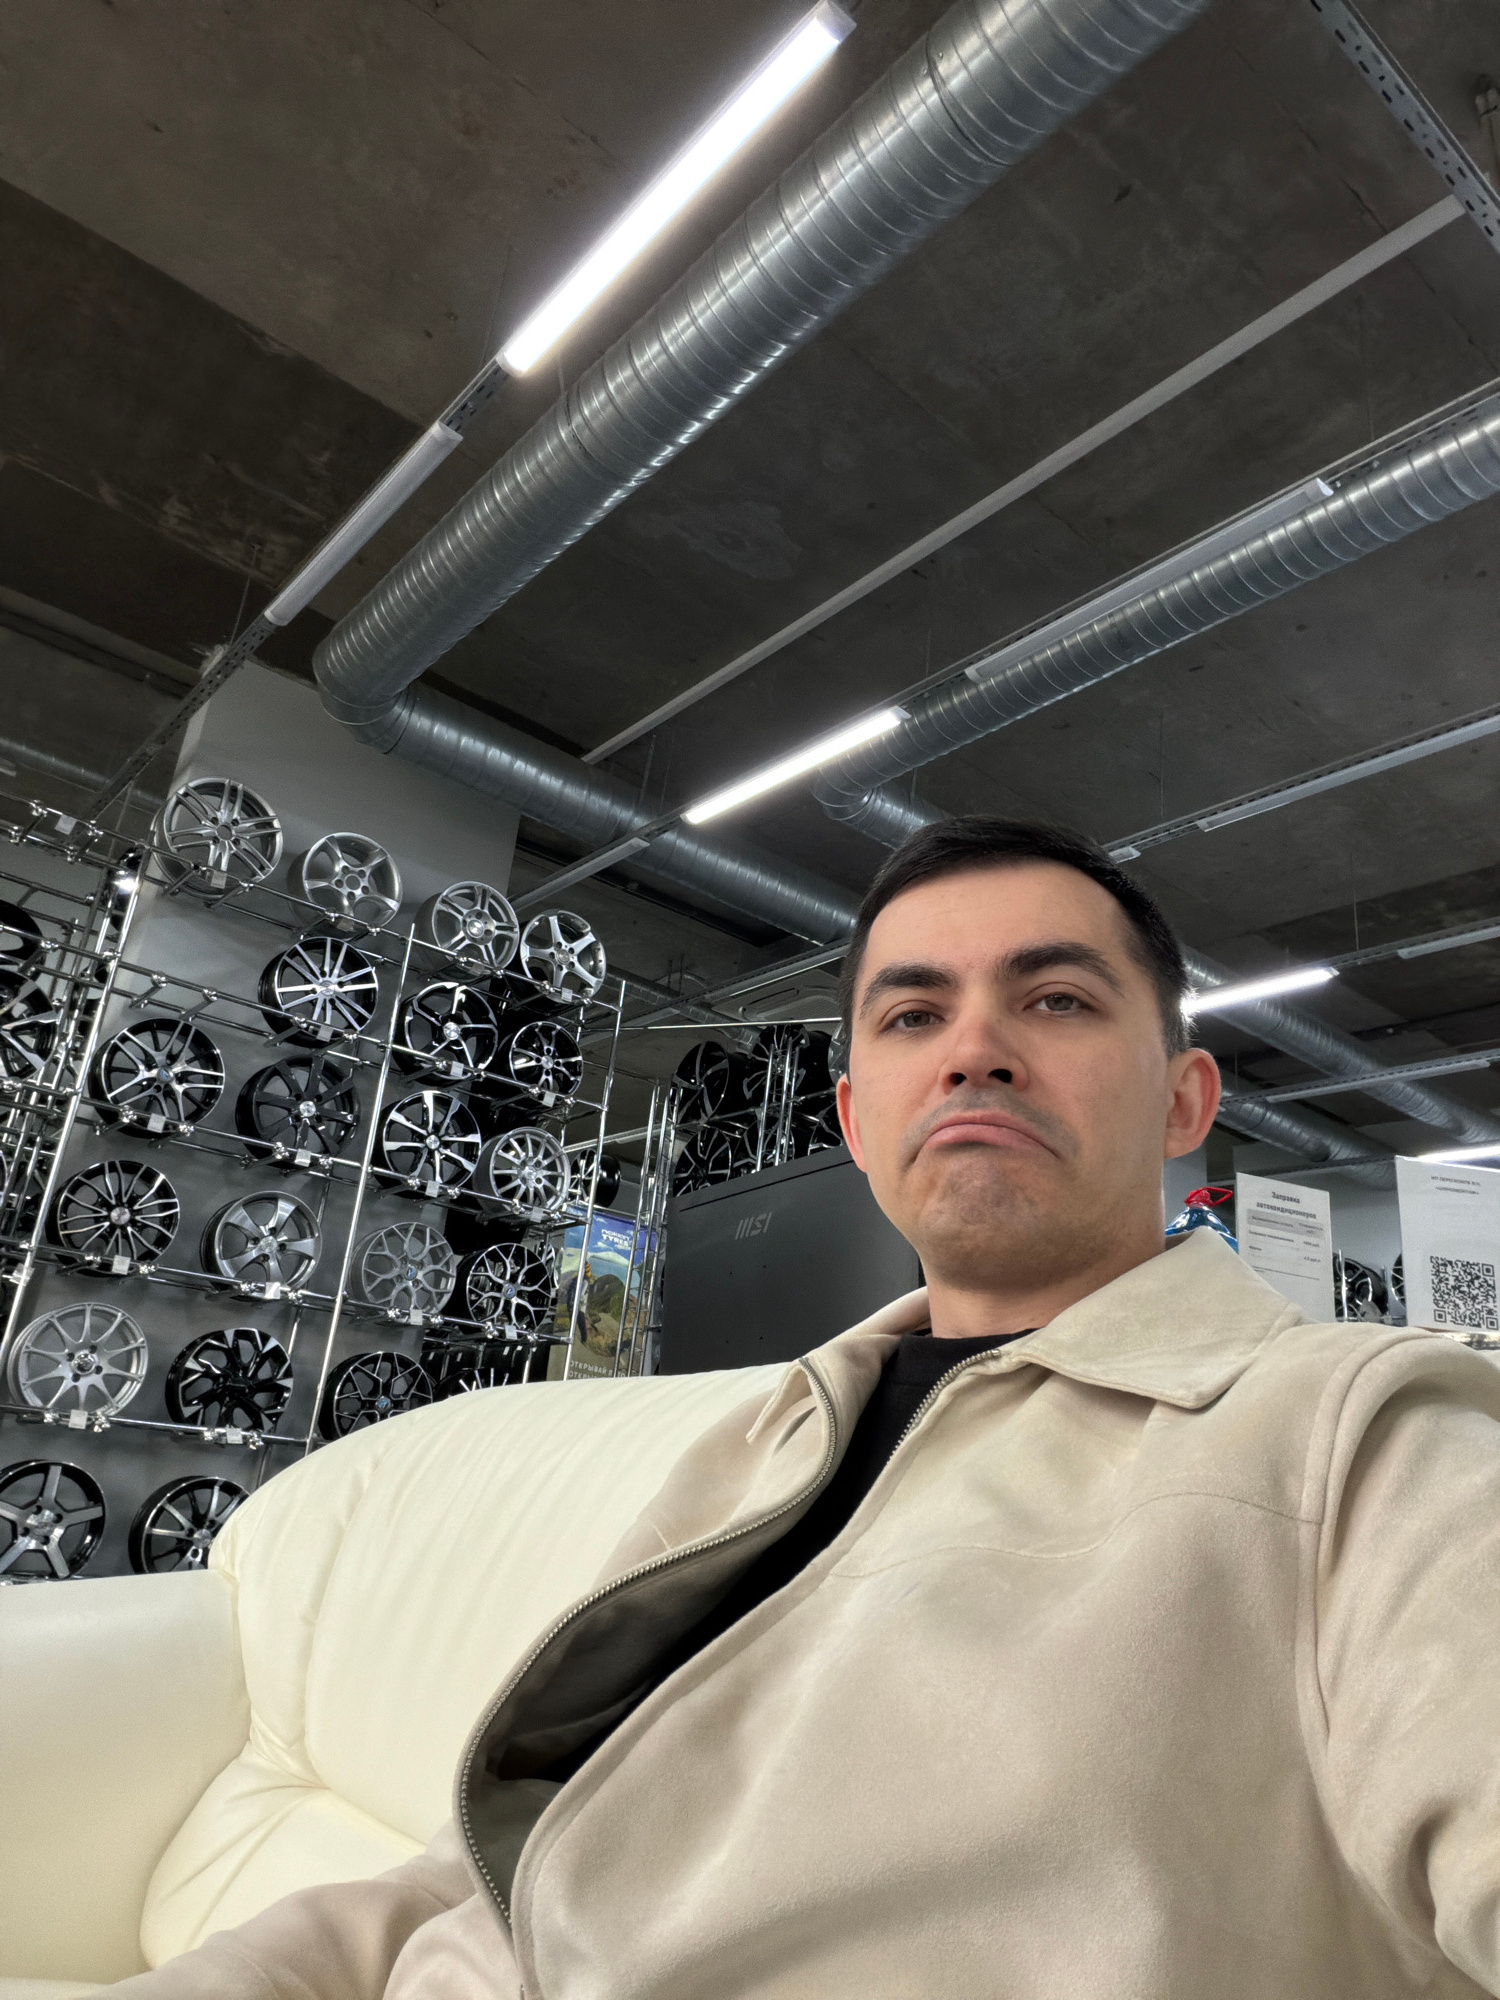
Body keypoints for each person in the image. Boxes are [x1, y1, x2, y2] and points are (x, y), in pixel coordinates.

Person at [110, 817, 1500, 1998]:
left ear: (1187, 1100)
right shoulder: (761, 1443)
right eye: (913, 1015)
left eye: (1058, 1000)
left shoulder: (1366, 1440)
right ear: (854, 1120)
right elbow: (495, 1868)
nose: (975, 1050)